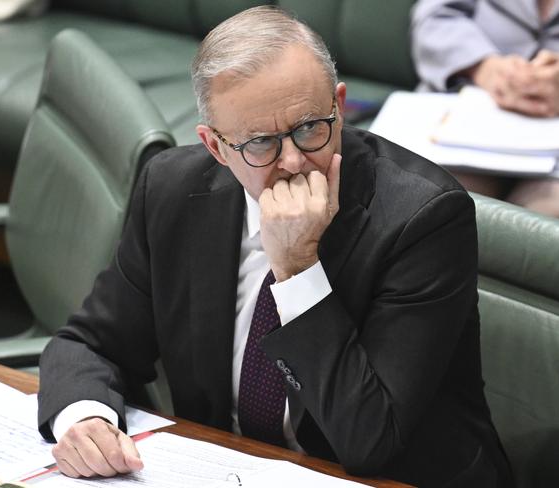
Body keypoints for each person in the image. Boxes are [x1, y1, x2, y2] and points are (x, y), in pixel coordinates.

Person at [38, 6, 514, 487]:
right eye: (261, 143)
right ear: (215, 147)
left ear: (339, 105)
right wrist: (85, 418)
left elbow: (370, 439)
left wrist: (296, 268)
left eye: (310, 127)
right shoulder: (172, 189)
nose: (292, 161)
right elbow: (90, 343)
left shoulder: (423, 218)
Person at [411, 0, 559, 218]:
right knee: (430, 199)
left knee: (544, 219)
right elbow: (433, 16)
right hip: (467, 108)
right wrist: (482, 66)